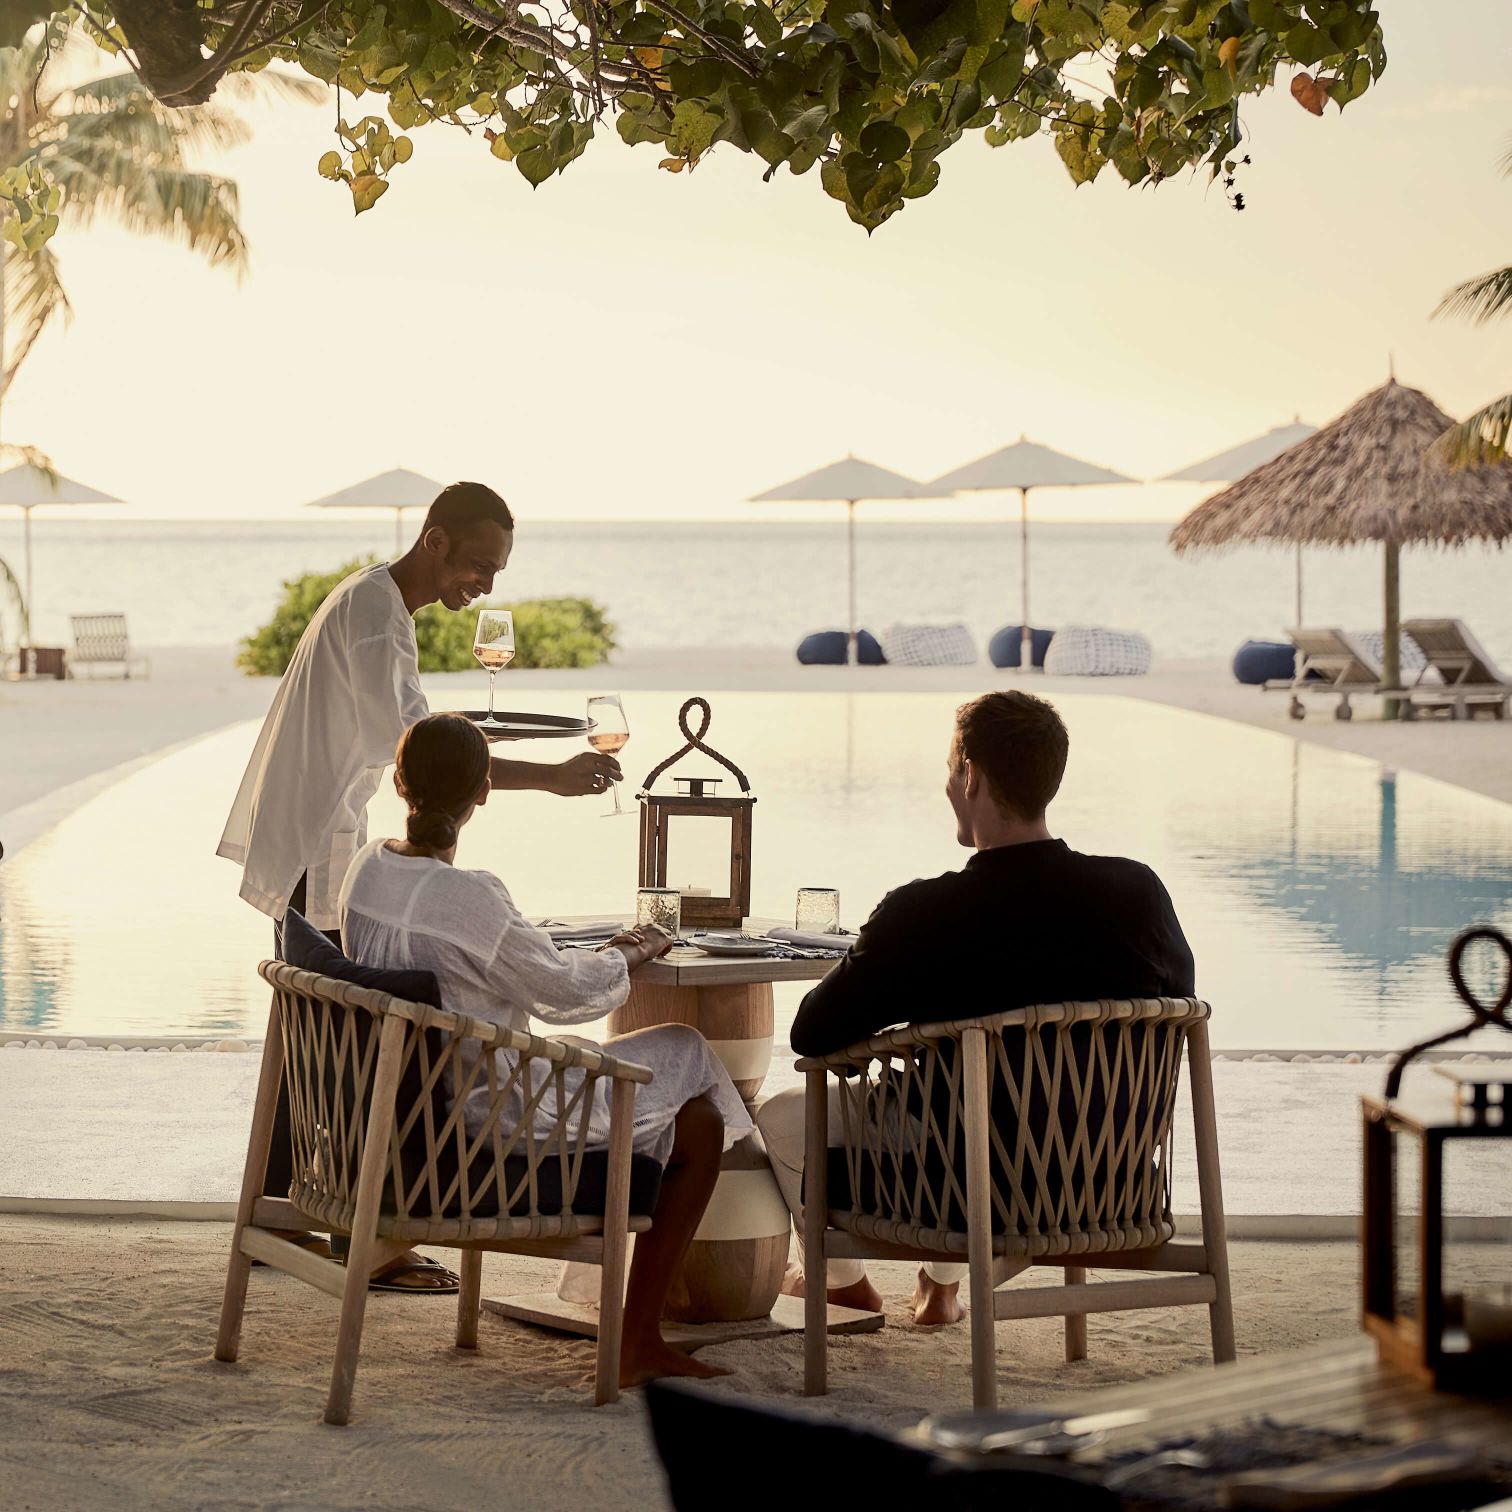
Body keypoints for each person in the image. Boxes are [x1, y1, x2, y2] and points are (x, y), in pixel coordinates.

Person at [219, 481, 620, 1289]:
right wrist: (550, 777)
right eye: (478, 563)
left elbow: (419, 740)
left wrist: (467, 746)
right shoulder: (376, 615)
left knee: (320, 1033)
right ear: (433, 541)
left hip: (313, 834)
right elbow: (415, 745)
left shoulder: (376, 601)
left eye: (497, 570)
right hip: (313, 840)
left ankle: (290, 1218)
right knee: (347, 1040)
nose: (487, 584)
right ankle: (370, 1233)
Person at [755, 690, 1195, 1326]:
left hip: (967, 1196)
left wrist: (896, 988)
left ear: (971, 774)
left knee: (786, 1113)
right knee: (977, 1103)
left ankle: (847, 1283)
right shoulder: (1140, 893)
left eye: (949, 769)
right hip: (1113, 1180)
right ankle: (940, 1288)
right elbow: (1174, 1013)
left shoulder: (926, 913)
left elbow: (813, 1034)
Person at [340, 712, 753, 1385]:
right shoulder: (470, 896)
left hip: (408, 1114)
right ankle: (638, 1339)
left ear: (398, 783)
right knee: (692, 1082)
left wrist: (538, 948)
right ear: (484, 794)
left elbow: (493, 968)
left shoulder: (366, 871)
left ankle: (631, 1319)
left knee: (668, 1096)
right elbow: (568, 995)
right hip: (487, 1120)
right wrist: (634, 945)